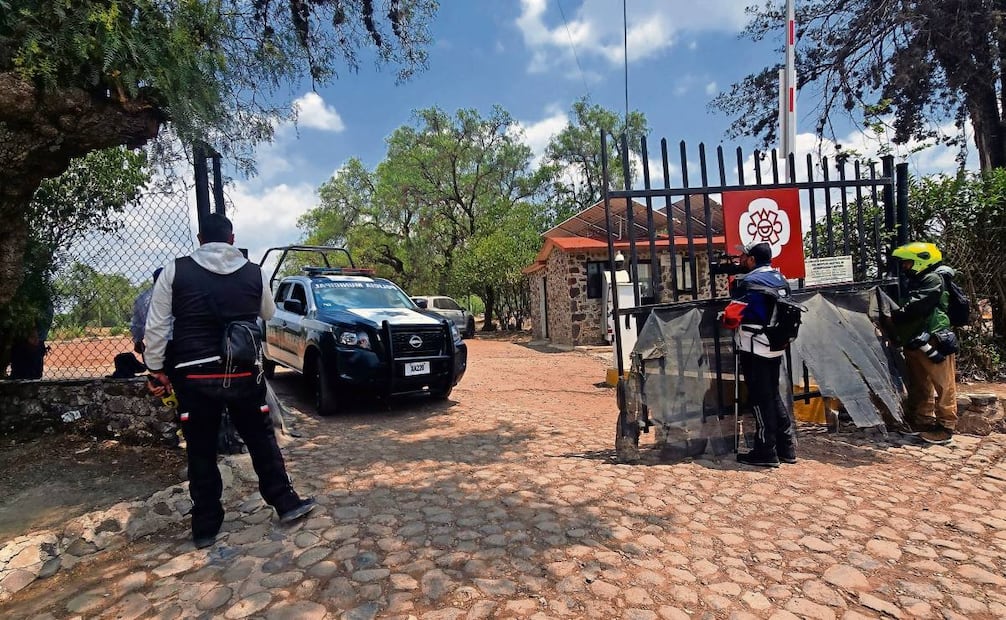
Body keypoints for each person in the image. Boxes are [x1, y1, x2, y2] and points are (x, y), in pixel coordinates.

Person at [144, 213, 315, 549]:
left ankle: (205, 527)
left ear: (200, 239)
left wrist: (155, 369)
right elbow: (268, 313)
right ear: (232, 239)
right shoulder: (254, 272)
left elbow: (157, 326)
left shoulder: (175, 271)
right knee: (261, 439)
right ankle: (286, 502)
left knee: (200, 449)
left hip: (193, 373)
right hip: (242, 371)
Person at [729, 241, 797, 468]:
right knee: (773, 394)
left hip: (754, 346)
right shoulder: (780, 278)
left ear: (752, 259)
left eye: (743, 256)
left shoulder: (749, 282)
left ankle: (766, 451)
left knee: (760, 399)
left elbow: (732, 317)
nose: (740, 259)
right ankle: (786, 447)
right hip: (775, 344)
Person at [890, 242, 957, 445]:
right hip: (915, 340)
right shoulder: (916, 280)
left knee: (943, 384)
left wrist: (896, 314)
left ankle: (946, 427)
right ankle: (923, 421)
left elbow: (917, 305)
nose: (904, 267)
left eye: (908, 263)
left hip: (933, 339)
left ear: (921, 261)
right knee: (920, 384)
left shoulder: (932, 279)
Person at [130, 267, 163, 354]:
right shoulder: (178, 294)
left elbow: (137, 322)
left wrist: (138, 340)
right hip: (178, 338)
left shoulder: (142, 297)